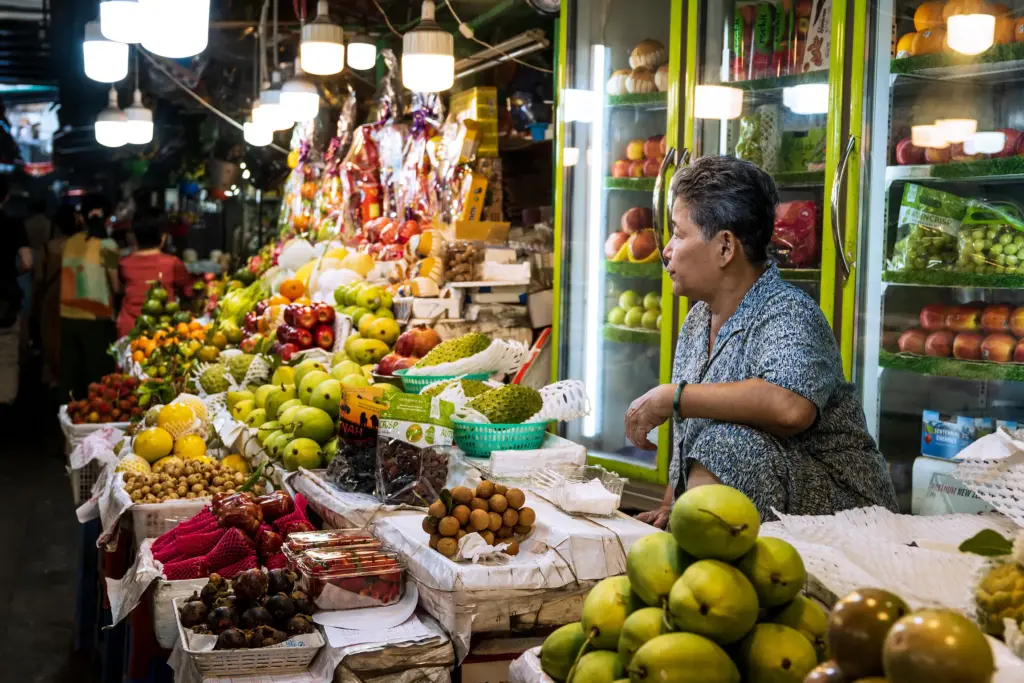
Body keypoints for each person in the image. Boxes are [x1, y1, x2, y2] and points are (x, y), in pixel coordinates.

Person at [625, 156, 897, 524]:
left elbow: (790, 408)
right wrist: (671, 507)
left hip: (848, 519)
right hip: (754, 515)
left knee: (729, 445)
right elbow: (691, 434)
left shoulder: (788, 313)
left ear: (725, 247)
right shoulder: (696, 321)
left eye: (678, 232)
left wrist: (671, 396)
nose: (667, 250)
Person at [59, 195, 118, 399]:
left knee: (70, 371)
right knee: (95, 374)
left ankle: (66, 414)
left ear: (81, 218)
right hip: (96, 317)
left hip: (67, 313)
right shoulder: (108, 244)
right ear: (108, 218)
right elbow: (116, 285)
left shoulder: (69, 243)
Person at [117, 210, 188, 338]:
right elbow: (188, 290)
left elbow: (119, 291)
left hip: (129, 329)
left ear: (135, 236)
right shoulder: (172, 263)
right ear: (163, 237)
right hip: (161, 331)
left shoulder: (124, 264)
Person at [0, 177, 32, 405]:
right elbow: (27, 262)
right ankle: (5, 403)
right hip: (5, 299)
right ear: (6, 197)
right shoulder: (13, 225)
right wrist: (12, 272)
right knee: (7, 356)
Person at [38, 205, 78, 388]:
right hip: (75, 294)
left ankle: (54, 375)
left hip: (52, 295)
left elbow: (39, 277)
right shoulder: (80, 246)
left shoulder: (49, 247)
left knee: (51, 336)